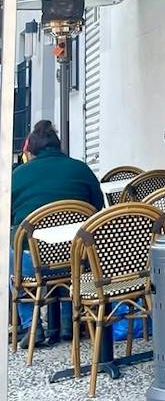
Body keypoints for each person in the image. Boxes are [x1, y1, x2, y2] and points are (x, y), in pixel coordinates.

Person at [10, 120, 104, 347]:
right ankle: (67, 323)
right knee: (69, 252)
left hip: (34, 262)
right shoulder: (80, 168)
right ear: (59, 147)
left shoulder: (17, 176)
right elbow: (98, 208)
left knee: (13, 255)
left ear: (30, 152)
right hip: (78, 260)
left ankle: (29, 326)